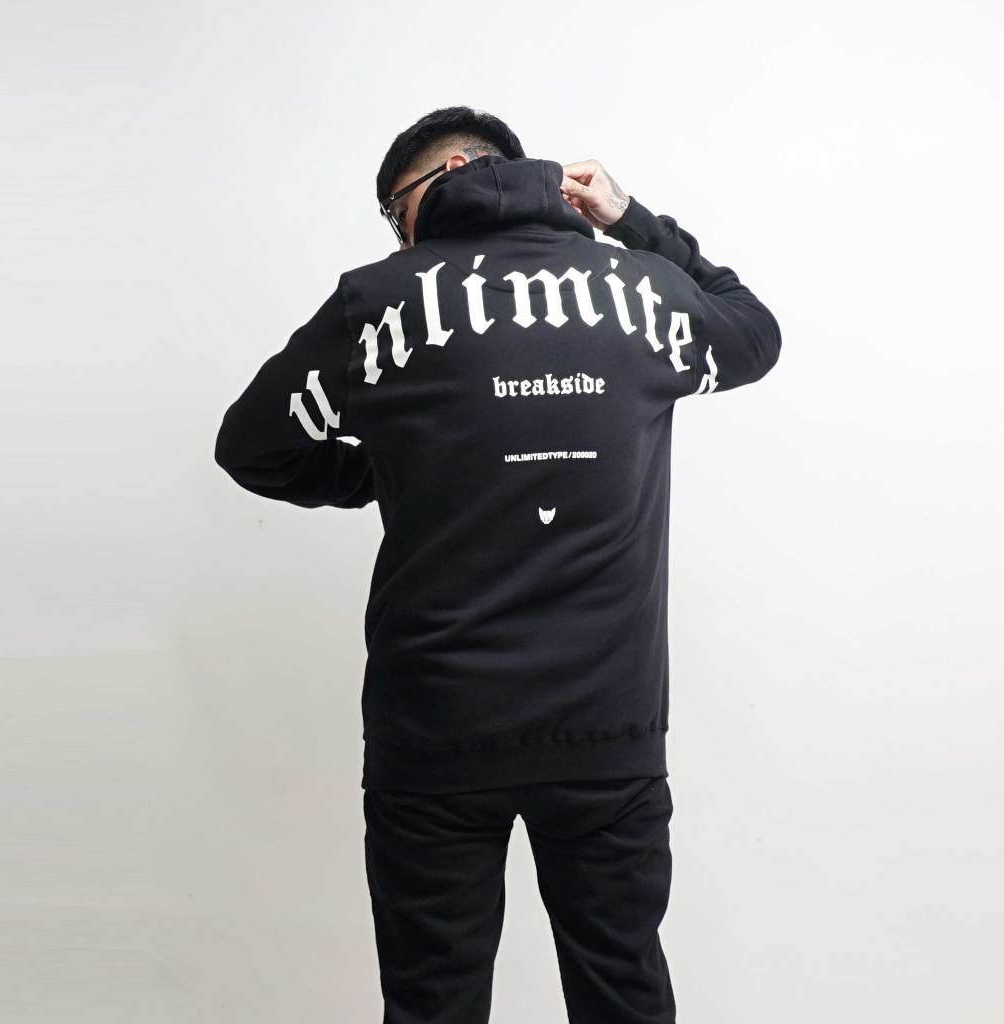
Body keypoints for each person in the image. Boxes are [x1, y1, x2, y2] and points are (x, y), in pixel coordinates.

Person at [213, 104, 781, 1023]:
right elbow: (754, 332)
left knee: (433, 1006)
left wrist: (385, 476)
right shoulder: (644, 291)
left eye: (396, 211)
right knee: (625, 995)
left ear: (438, 183)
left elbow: (250, 446)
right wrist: (633, 220)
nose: (400, 236)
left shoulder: (377, 301)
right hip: (607, 729)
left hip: (435, 731)